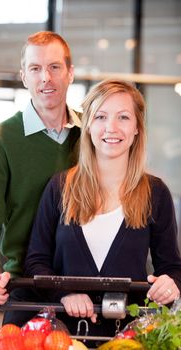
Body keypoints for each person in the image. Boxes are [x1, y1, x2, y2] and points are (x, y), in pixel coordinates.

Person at [12, 79, 181, 341]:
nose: (111, 128)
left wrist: (171, 284)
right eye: (101, 117)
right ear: (88, 125)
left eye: (123, 117)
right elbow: (36, 261)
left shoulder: (155, 193)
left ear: (137, 128)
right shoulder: (60, 187)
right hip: (62, 339)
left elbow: (172, 268)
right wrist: (64, 293)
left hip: (128, 341)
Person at [0, 31, 81, 307]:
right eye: (35, 68)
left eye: (55, 67)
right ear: (24, 76)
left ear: (70, 73)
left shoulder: (92, 134)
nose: (45, 78)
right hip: (25, 286)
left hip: (86, 284)